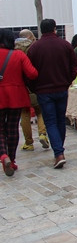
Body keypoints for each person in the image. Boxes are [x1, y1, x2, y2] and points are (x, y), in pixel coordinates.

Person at [28, 19, 77, 169]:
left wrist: (34, 87)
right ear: (55, 29)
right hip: (61, 88)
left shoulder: (34, 48)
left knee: (50, 122)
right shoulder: (65, 45)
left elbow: (29, 73)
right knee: (60, 121)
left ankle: (59, 153)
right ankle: (59, 151)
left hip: (44, 91)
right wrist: (68, 80)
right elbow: (74, 66)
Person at [0, 29, 39, 176]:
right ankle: (13, 159)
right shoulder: (19, 55)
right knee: (12, 129)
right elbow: (33, 73)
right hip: (16, 96)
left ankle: (3, 156)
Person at [14, 29, 49, 152]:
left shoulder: (14, 51)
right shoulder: (34, 49)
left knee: (24, 113)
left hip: (20, 87)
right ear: (30, 37)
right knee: (40, 111)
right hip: (35, 85)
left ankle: (28, 143)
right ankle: (42, 134)